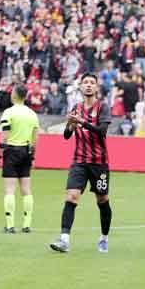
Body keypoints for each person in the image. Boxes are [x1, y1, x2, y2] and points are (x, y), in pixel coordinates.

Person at [49, 73, 113, 254]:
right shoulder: (76, 107)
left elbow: (102, 131)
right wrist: (70, 125)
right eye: (85, 82)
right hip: (79, 162)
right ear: (80, 86)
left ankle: (104, 237)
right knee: (71, 197)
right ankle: (64, 239)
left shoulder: (103, 107)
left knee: (102, 200)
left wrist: (82, 122)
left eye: (92, 83)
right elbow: (67, 135)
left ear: (97, 87)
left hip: (99, 163)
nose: (89, 85)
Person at [0, 84, 39, 234]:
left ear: (14, 95)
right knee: (26, 190)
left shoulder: (9, 112)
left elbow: (4, 134)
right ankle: (27, 224)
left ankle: (10, 225)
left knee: (9, 190)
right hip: (26, 151)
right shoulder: (32, 114)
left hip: (11, 151)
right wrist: (33, 156)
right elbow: (35, 137)